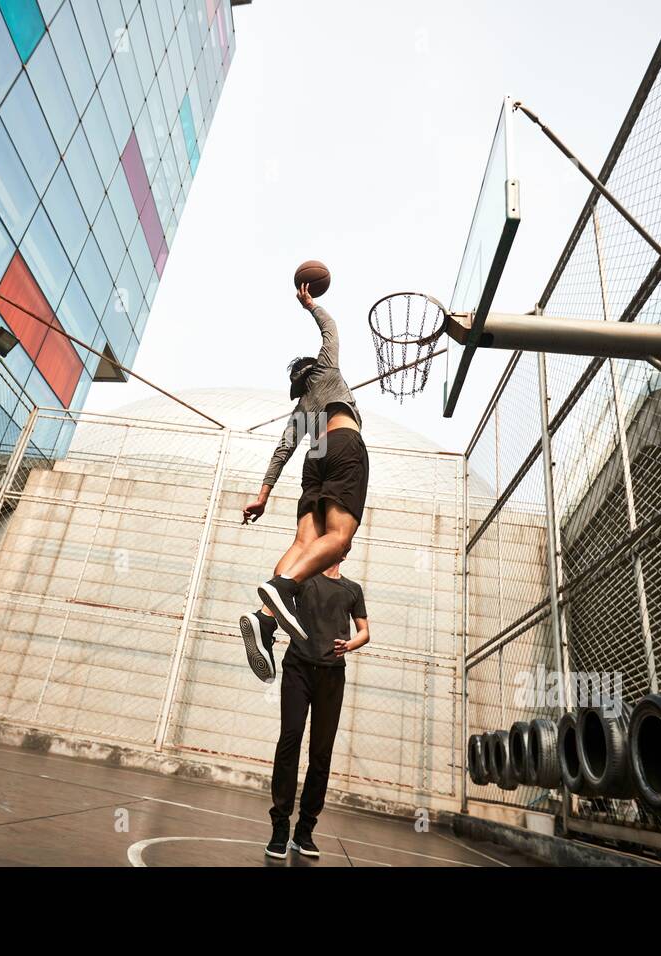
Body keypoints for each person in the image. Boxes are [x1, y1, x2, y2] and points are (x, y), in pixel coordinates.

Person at [238, 283, 369, 684]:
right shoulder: (327, 369)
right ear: (313, 368)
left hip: (315, 457)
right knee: (339, 539)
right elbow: (331, 330)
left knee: (303, 543)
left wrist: (262, 497)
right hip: (343, 440)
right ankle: (285, 589)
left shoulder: (302, 411)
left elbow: (282, 451)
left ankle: (265, 620)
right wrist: (311, 305)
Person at [263, 561, 369, 859]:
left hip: (332, 675)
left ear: (345, 551)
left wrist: (351, 644)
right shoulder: (305, 578)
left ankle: (305, 830)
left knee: (321, 752)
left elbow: (364, 632)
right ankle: (280, 827)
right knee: (291, 738)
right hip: (298, 668)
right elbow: (278, 579)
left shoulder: (352, 589)